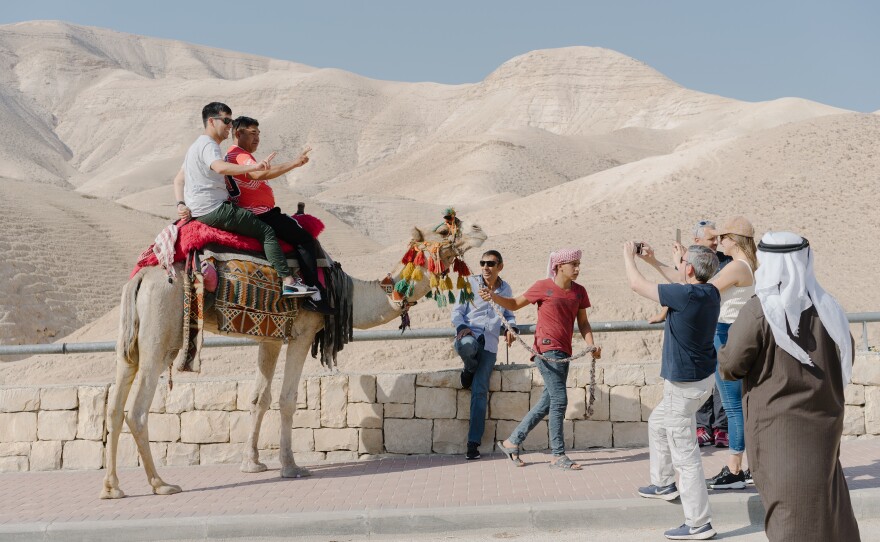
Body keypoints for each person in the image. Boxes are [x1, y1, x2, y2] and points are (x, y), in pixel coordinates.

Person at [718, 232, 860, 542]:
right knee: (824, 508)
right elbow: (845, 351)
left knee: (791, 517)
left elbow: (730, 366)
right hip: (824, 431)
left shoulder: (760, 311)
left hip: (776, 433)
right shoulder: (828, 307)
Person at [625, 241, 719, 540]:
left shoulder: (685, 294)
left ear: (689, 268)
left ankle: (699, 523)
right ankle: (663, 483)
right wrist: (654, 260)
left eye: (682, 262)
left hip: (683, 387)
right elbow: (681, 281)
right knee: (657, 423)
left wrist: (629, 257)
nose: (679, 264)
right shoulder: (709, 292)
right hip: (699, 383)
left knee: (687, 458)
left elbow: (636, 285)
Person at [486, 249, 601, 471]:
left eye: (578, 264)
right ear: (559, 266)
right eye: (573, 264)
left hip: (564, 353)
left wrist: (590, 345)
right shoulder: (543, 286)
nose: (577, 268)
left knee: (548, 402)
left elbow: (583, 323)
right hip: (546, 351)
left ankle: (512, 442)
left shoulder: (579, 292)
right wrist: (493, 297)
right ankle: (557, 455)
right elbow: (514, 304)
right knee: (559, 401)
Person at [173, 103, 301, 297]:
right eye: (226, 121)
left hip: (199, 210)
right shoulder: (210, 145)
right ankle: (288, 281)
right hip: (215, 209)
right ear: (211, 121)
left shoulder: (195, 147)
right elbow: (221, 168)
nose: (229, 126)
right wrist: (255, 168)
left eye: (231, 121)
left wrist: (180, 203)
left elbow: (179, 179)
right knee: (266, 232)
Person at [224, 116, 331, 312]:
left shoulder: (236, 155)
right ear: (238, 134)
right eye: (252, 133)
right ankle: (314, 294)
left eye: (259, 134)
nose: (257, 138)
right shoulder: (239, 155)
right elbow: (259, 175)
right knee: (306, 240)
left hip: (261, 212)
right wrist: (295, 163)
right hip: (260, 214)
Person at [701, 216, 758, 490]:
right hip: (732, 334)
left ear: (733, 240)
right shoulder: (746, 265)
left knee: (734, 407)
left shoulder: (736, 267)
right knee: (740, 406)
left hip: (725, 336)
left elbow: (702, 292)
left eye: (722, 238)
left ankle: (735, 470)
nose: (718, 242)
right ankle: (749, 466)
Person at [450, 250, 517, 460]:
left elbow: (509, 314)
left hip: (489, 343)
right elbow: (457, 312)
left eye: (491, 263)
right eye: (483, 263)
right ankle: (469, 368)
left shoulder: (505, 289)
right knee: (467, 346)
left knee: (479, 391)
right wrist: (462, 327)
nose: (486, 267)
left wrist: (510, 328)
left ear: (500, 266)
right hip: (469, 334)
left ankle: (473, 443)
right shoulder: (469, 283)